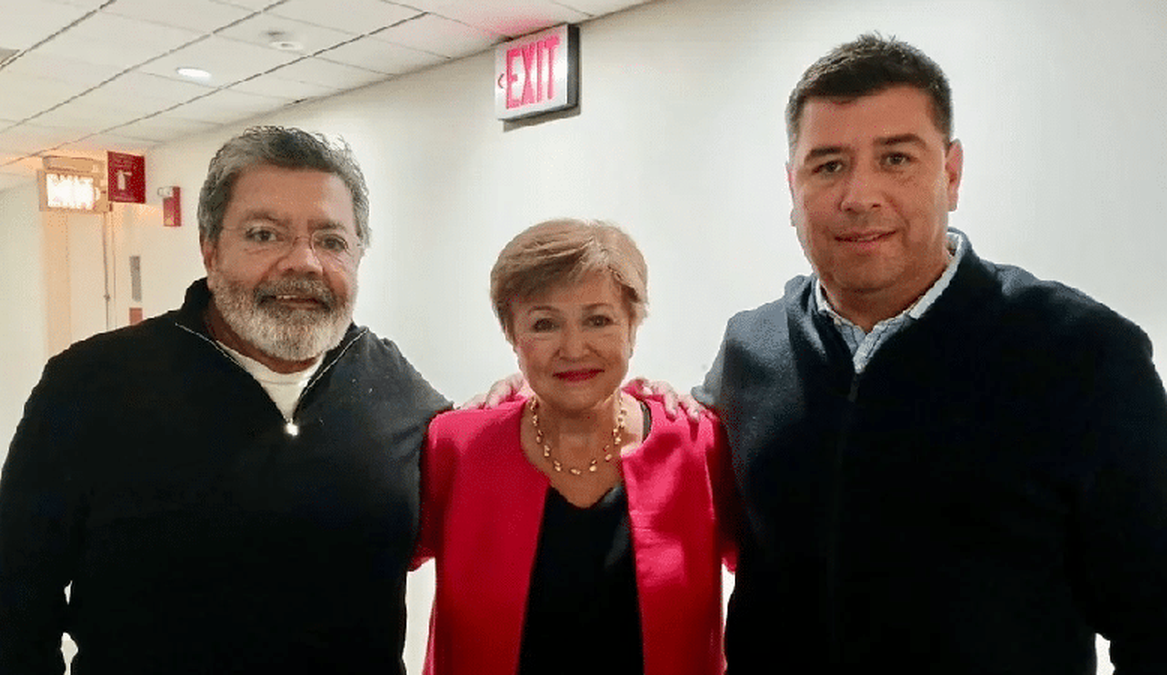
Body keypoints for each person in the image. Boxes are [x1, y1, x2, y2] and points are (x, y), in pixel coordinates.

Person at [695, 34, 1167, 673]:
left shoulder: (1082, 355)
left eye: (896, 158)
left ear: (951, 173)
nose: (859, 195)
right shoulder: (749, 350)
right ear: (792, 187)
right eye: (828, 165)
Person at [0, 127, 449, 674]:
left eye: (332, 240)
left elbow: (484, 478)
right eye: (265, 235)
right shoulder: (90, 387)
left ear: (359, 253)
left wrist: (519, 401)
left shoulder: (399, 391)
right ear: (210, 250)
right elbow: (12, 612)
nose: (304, 262)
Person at [414, 219, 735, 675]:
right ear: (512, 335)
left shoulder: (698, 446)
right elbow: (364, 563)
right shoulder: (456, 448)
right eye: (544, 324)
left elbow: (785, 576)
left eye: (598, 320)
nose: (573, 347)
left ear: (632, 326)